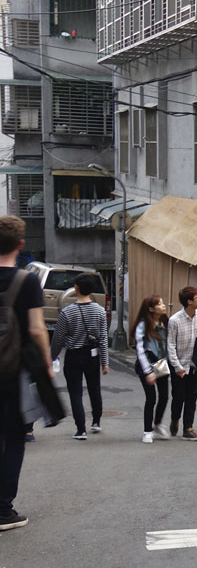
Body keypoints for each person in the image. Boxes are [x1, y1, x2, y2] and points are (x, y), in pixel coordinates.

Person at [0, 216, 53, 530]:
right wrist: (46, 364)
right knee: (15, 439)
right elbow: (36, 329)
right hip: (14, 373)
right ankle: (4, 510)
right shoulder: (28, 281)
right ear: (21, 245)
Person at [51, 273, 109, 440]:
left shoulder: (67, 312)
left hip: (74, 355)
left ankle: (81, 429)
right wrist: (105, 362)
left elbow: (58, 339)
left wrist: (52, 357)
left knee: (75, 392)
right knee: (94, 388)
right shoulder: (99, 311)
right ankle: (96, 422)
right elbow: (103, 338)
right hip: (93, 355)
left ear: (76, 289)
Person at [166, 285, 197, 441]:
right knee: (178, 397)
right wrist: (177, 367)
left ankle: (188, 428)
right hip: (178, 363)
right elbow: (170, 345)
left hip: (194, 364)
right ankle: (175, 419)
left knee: (192, 396)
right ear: (189, 301)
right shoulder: (174, 321)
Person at [132, 294, 170, 444]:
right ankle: (147, 431)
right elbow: (140, 350)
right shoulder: (143, 325)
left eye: (162, 303)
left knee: (165, 396)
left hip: (162, 364)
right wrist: (148, 372)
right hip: (146, 364)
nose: (163, 306)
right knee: (151, 398)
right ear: (151, 309)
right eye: (160, 304)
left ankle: (158, 424)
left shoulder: (165, 323)